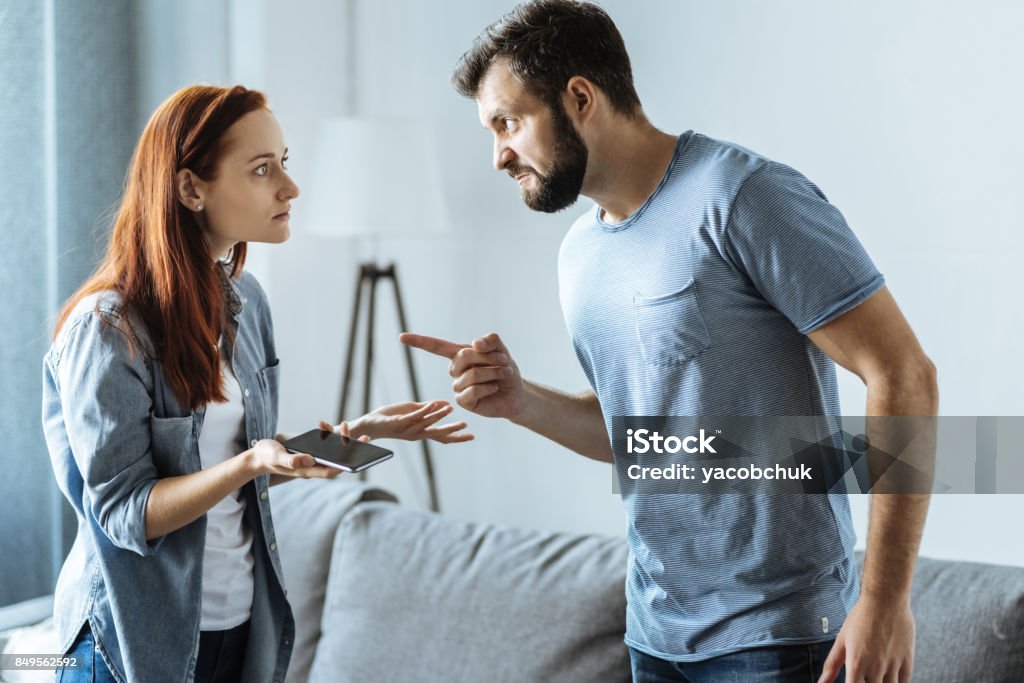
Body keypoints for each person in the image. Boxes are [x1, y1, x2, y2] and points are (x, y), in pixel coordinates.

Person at [401, 2, 937, 682]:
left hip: (779, 638)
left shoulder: (742, 196)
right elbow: (645, 438)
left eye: (508, 122)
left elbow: (903, 372)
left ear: (580, 97)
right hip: (655, 637)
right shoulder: (580, 255)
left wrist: (886, 601)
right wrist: (521, 400)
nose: (499, 154)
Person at [43, 84, 471, 683]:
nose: (290, 188)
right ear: (191, 188)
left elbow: (247, 460)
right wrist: (249, 464)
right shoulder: (109, 329)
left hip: (240, 630)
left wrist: (353, 435)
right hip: (132, 645)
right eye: (262, 169)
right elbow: (125, 513)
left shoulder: (248, 303)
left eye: (284, 163)